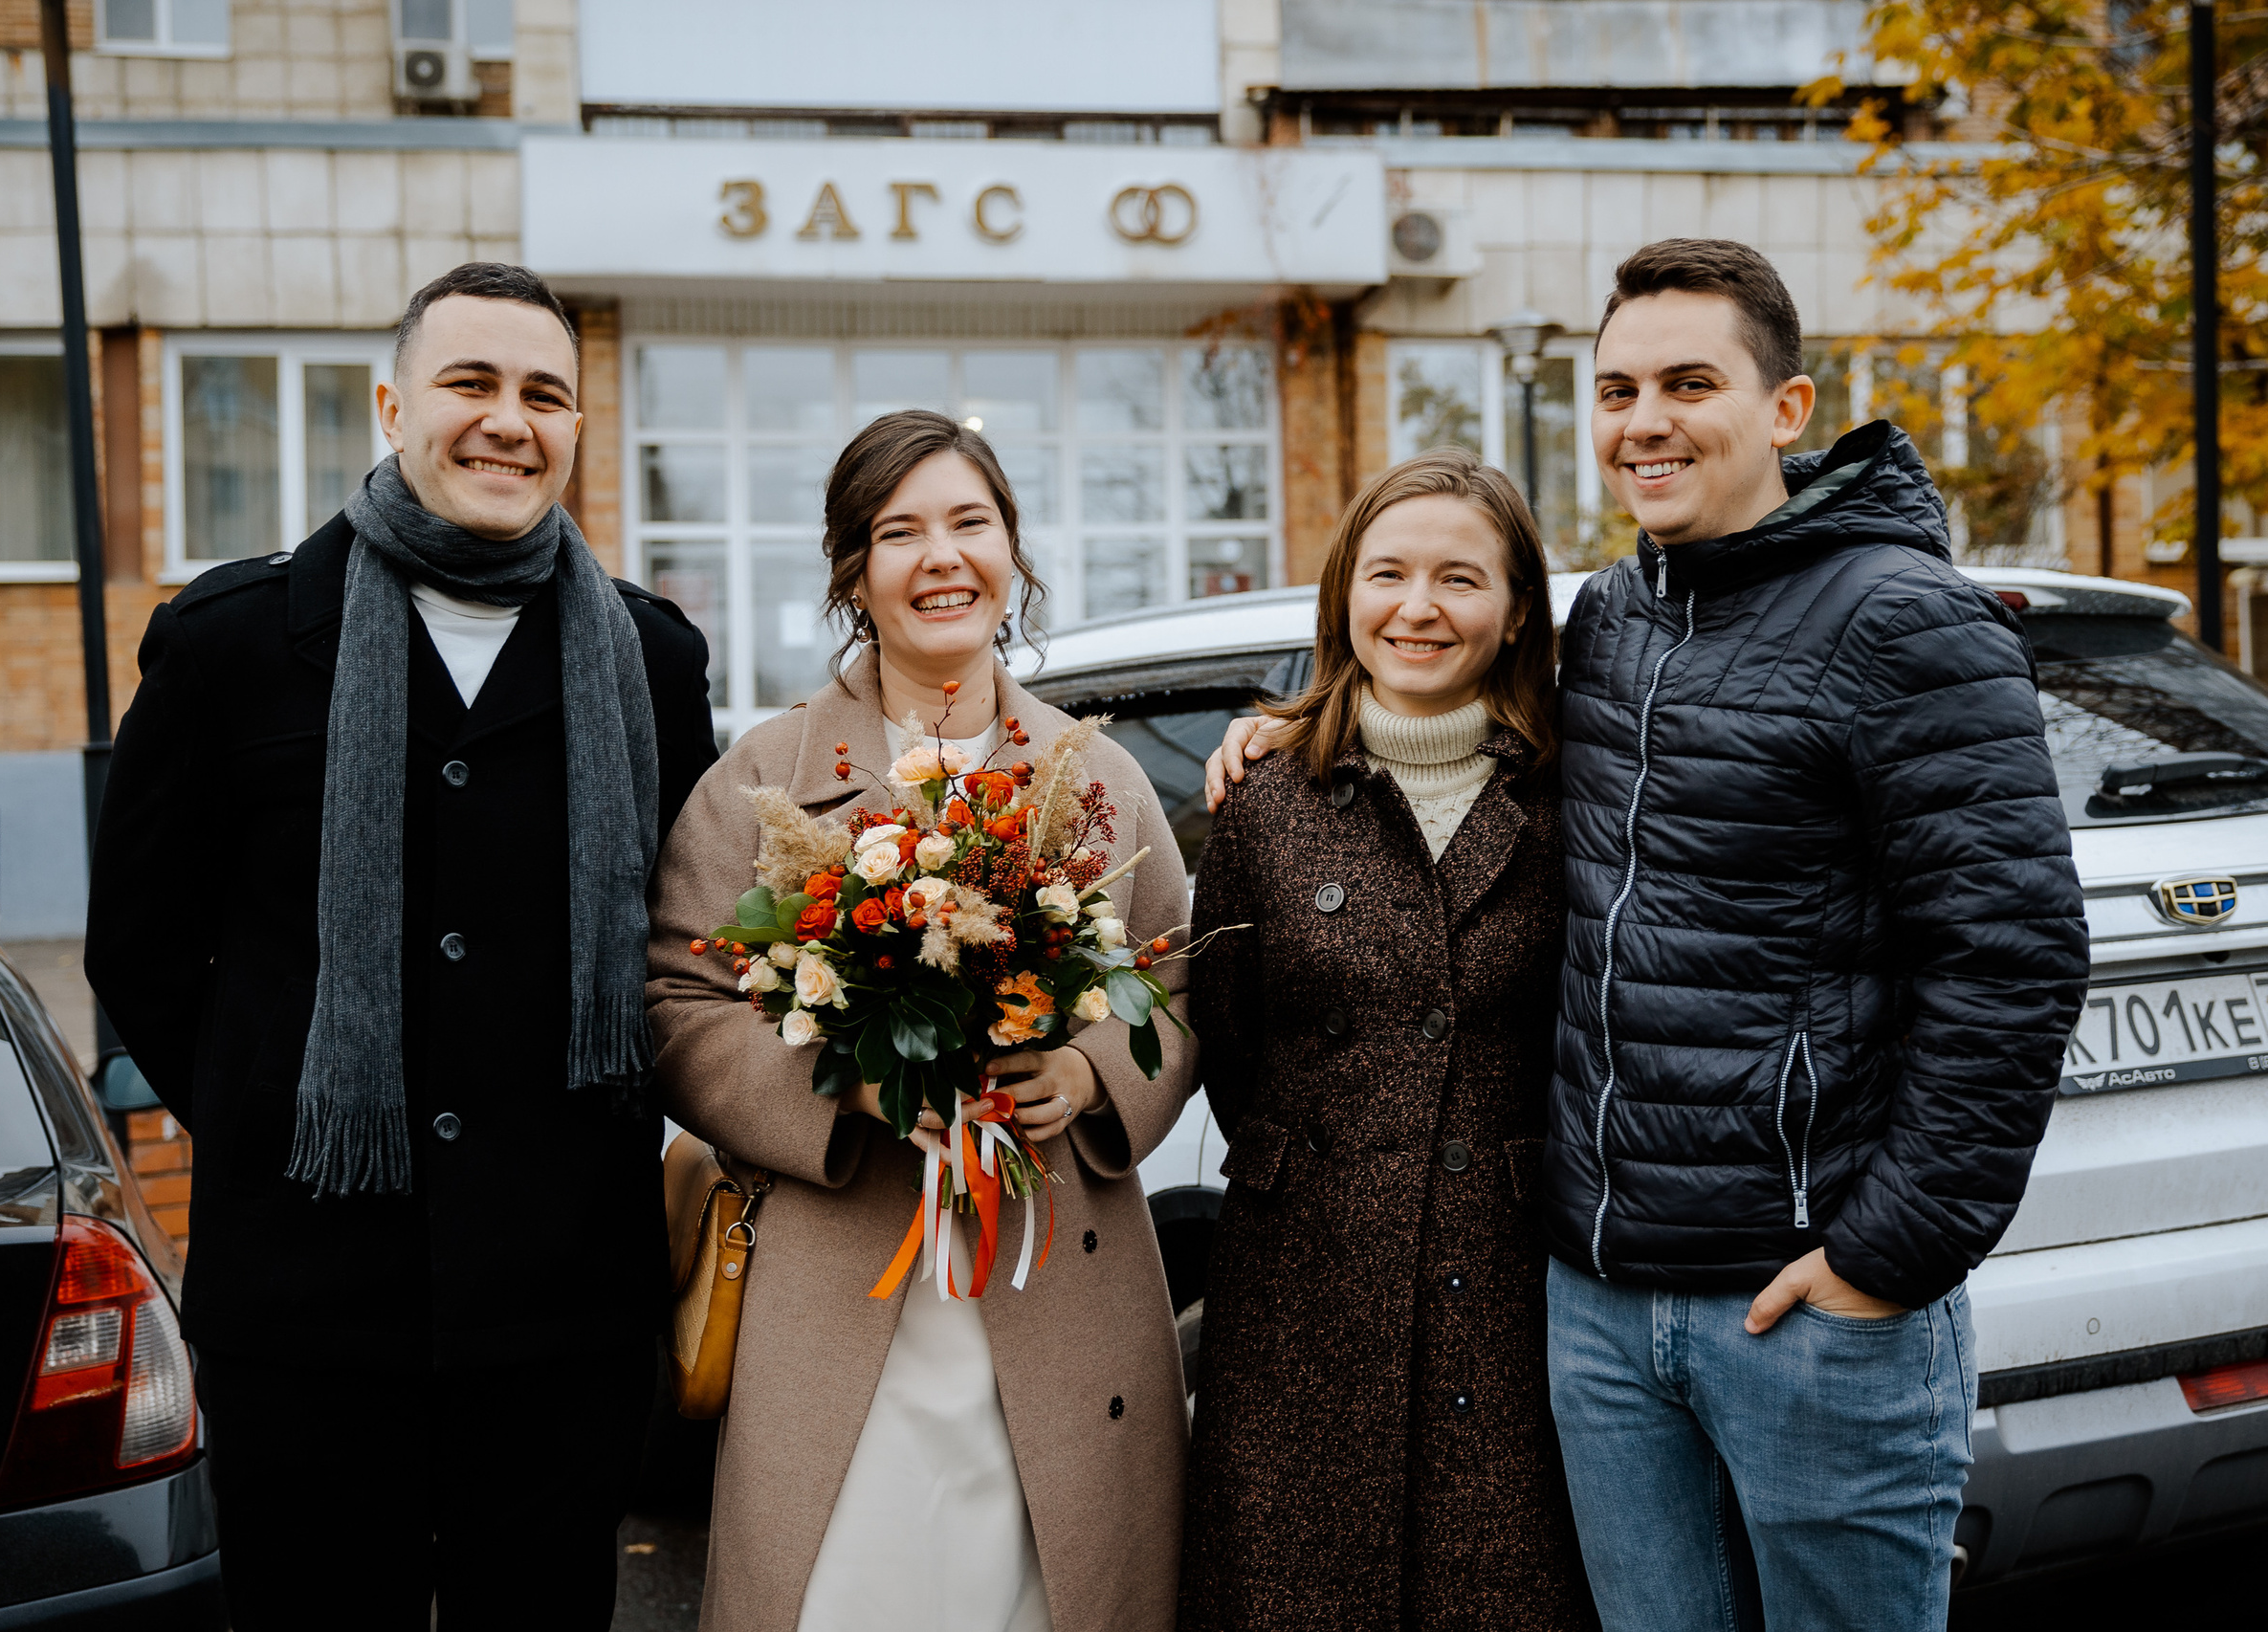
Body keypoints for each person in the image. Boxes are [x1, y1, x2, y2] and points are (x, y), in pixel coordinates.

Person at [1207, 238, 2089, 1631]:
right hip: (1604, 1309)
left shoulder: (1907, 621)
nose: (1645, 420)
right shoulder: (1616, 620)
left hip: (1806, 1309)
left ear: (1786, 411)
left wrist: (1890, 1253)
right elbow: (1433, 669)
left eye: (1690, 382)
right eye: (1618, 389)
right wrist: (1287, 719)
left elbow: (2013, 960)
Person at [86, 262, 717, 1629]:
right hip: (308, 1308)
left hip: (562, 1315)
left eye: (544, 394)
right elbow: (138, 943)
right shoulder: (231, 642)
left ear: (575, 427)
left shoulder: (654, 664)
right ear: (392, 403)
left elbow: (686, 950)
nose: (509, 420)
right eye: (471, 383)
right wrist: (279, 1118)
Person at [645, 408, 1198, 1632]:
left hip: (1058, 1285)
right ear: (854, 571)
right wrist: (834, 1088)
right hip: (842, 1283)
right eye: (900, 530)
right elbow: (678, 999)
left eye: (970, 522)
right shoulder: (761, 778)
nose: (940, 555)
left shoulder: (1093, 777)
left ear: (1013, 554)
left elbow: (1178, 973)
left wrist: (1094, 1074)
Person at [1180, 449, 1596, 1632]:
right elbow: (1229, 1041)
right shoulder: (1263, 796)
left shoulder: (1573, 793)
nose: (1417, 608)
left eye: (1459, 578)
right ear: (1343, 593)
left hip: (1510, 1288)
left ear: (1516, 607)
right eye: (1388, 573)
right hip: (1298, 1287)